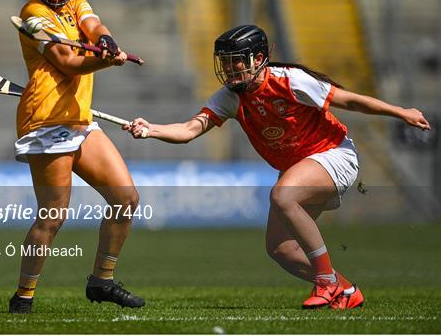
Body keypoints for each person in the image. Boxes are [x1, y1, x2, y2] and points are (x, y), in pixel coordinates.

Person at [126, 25, 431, 309]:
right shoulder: (231, 97)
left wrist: (400, 112)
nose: (230, 69)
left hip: (334, 154)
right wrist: (151, 129)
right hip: (300, 167)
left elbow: (348, 101)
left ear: (258, 59)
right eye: (225, 62)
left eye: (236, 61)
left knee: (283, 195)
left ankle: (325, 282)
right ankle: (346, 291)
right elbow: (190, 130)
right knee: (281, 250)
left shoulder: (289, 80)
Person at [9, 0, 144, 313]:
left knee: (125, 198)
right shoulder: (32, 14)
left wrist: (107, 42)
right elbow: (67, 60)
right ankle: (23, 296)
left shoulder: (75, 3)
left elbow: (93, 24)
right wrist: (105, 61)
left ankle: (102, 281)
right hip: (46, 121)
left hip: (79, 118)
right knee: (53, 216)